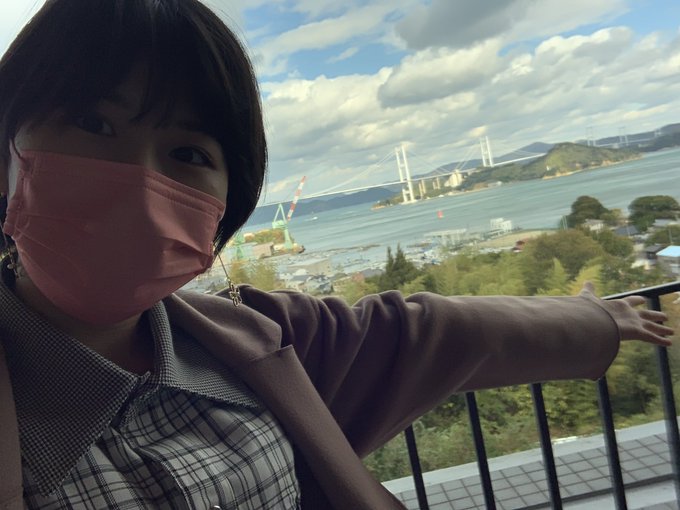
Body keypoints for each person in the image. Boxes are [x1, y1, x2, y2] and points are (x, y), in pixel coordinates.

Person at [0, 1, 673, 509]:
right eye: (93, 123)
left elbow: (424, 332)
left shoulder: (253, 340)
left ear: (227, 204)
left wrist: (598, 321)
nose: (139, 183)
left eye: (188, 153)